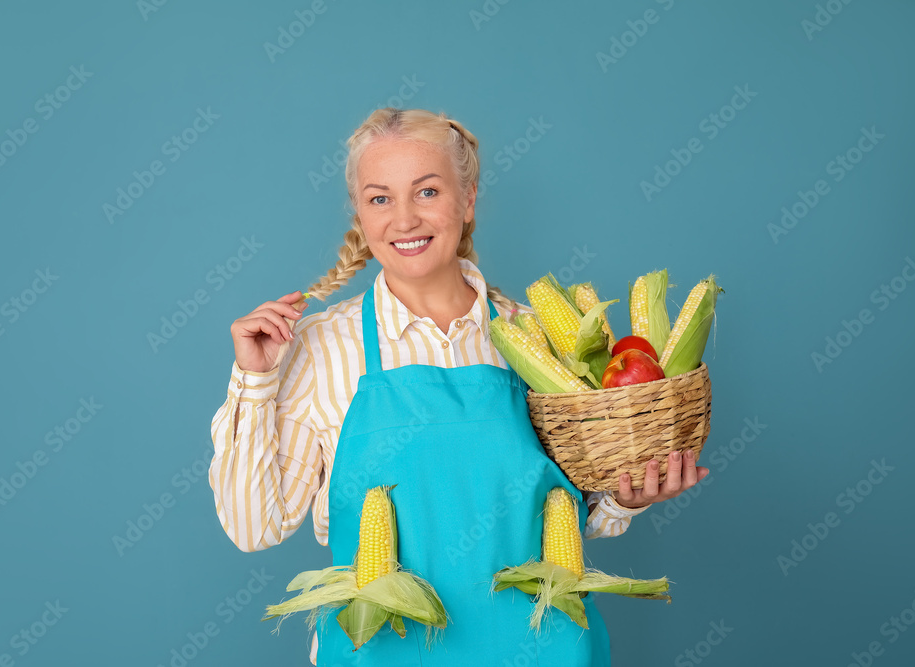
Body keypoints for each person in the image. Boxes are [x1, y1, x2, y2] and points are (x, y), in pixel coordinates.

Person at [208, 107, 709, 666]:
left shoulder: (540, 341)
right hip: (382, 652)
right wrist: (254, 381)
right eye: (380, 198)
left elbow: (577, 510)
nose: (404, 219)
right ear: (359, 214)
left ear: (467, 201)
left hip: (539, 649)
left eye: (427, 192)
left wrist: (624, 496)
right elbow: (256, 527)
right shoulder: (320, 347)